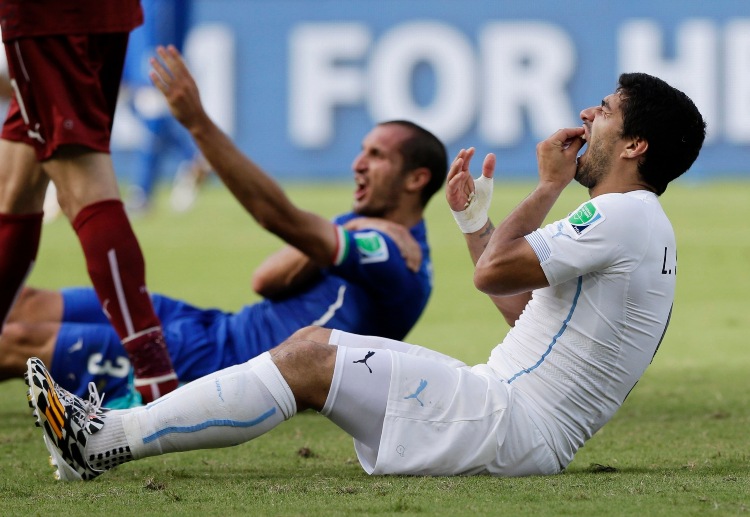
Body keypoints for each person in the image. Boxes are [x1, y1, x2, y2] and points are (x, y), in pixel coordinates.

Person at [25, 70, 705, 481]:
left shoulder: (621, 216)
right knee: (310, 359)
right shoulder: (638, 224)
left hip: (507, 421)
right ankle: (104, 437)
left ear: (636, 144)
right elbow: (526, 314)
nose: (588, 115)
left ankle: (106, 440)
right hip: (512, 418)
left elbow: (496, 271)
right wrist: (474, 224)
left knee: (310, 355)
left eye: (607, 110)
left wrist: (548, 185)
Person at [4, 47, 446, 408]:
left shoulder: (394, 255)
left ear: (416, 180)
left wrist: (197, 122)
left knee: (19, 341)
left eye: (376, 156)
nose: (358, 164)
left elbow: (278, 218)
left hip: (221, 365)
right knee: (22, 303)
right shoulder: (363, 230)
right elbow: (266, 280)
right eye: (362, 150)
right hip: (212, 327)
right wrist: (343, 229)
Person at [0, 1, 178, 403]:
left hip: (45, 17)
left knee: (82, 176)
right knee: (16, 183)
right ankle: (155, 374)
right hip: (107, 13)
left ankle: (155, 379)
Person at [120, 0, 211, 214]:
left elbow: (165, 17)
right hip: (127, 24)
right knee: (135, 102)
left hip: (148, 26)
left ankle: (143, 192)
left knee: (149, 103)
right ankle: (191, 158)